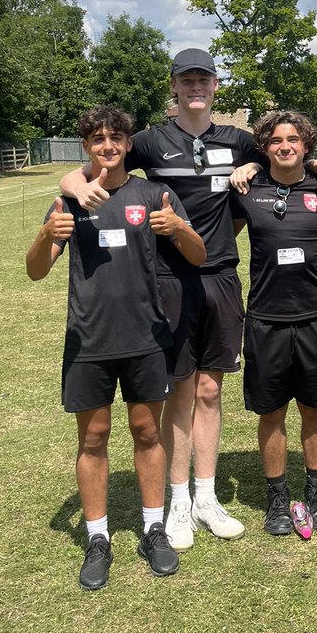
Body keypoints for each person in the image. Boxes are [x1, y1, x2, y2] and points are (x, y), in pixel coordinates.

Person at [60, 49, 256, 551]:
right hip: (166, 280)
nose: (195, 87)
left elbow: (278, 157)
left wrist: (252, 165)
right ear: (174, 87)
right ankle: (177, 501)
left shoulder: (237, 139)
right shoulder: (149, 139)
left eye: (204, 79)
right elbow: (86, 170)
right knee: (181, 393)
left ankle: (207, 496)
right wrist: (72, 188)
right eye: (186, 80)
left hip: (221, 276)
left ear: (216, 86)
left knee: (212, 392)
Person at [26, 106, 206, 590]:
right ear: (86, 146)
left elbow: (198, 254)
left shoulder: (153, 193)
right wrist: (46, 236)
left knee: (148, 432)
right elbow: (36, 269)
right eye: (97, 139)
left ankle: (153, 528)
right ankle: (98, 538)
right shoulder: (69, 200)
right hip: (89, 339)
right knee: (93, 438)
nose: (107, 145)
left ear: (128, 144)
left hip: (146, 337)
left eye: (116, 138)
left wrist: (180, 228)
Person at [229, 110, 317, 538]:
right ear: (265, 147)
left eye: (294, 139)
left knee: (314, 408)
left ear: (306, 145)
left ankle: (316, 491)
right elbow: (219, 239)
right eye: (276, 140)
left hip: (315, 318)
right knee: (271, 412)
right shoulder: (246, 188)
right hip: (265, 319)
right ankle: (277, 496)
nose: (285, 146)